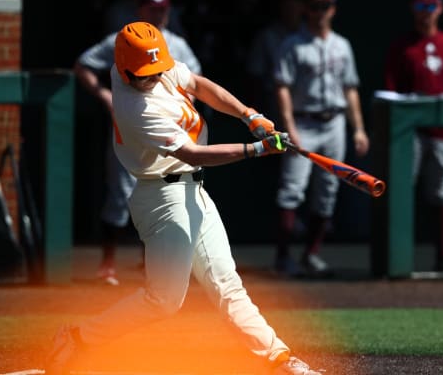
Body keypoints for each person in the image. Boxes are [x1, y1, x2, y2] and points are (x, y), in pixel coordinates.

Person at [45, 21, 323, 375]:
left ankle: (279, 359)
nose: (154, 78)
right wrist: (256, 149)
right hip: (162, 199)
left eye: (157, 70)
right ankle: (77, 338)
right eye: (144, 74)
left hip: (193, 191)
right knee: (163, 300)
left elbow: (198, 85)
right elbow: (193, 154)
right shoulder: (137, 110)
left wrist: (248, 114)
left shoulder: (146, 64)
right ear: (124, 69)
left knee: (227, 284)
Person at [73, 0, 202, 285]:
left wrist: (183, 110)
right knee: (121, 193)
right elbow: (83, 66)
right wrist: (104, 95)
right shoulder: (124, 39)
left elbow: (194, 83)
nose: (158, 14)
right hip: (131, 127)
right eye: (152, 8)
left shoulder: (177, 44)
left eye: (162, 9)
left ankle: (151, 265)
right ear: (140, 10)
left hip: (165, 130)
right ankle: (107, 265)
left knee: (166, 193)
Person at [273, 0, 370, 277]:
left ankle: (310, 254)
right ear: (306, 10)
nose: (319, 13)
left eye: (324, 7)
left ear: (333, 9)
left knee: (328, 191)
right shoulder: (292, 44)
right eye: (314, 7)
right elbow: (282, 88)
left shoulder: (342, 45)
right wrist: (289, 128)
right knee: (292, 190)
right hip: (303, 121)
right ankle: (284, 256)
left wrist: (359, 130)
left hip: (335, 122)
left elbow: (350, 89)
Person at [383, 0, 443, 272]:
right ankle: (398, 257)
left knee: (441, 192)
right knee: (403, 190)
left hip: (442, 131)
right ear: (413, 9)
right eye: (421, 7)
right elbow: (391, 94)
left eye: (430, 7)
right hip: (411, 134)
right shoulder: (401, 47)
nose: (426, 13)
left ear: (440, 8)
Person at [245, 0, 304, 122]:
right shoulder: (268, 36)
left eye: (295, 7)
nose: (291, 12)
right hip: (275, 103)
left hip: (308, 105)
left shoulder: (312, 35)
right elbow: (255, 76)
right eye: (287, 7)